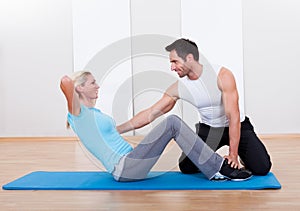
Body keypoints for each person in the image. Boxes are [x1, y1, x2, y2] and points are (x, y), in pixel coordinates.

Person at [60, 71, 252, 182]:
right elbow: (65, 82)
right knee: (173, 123)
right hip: (125, 167)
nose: (97, 86)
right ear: (80, 88)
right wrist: (73, 89)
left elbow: (109, 134)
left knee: (172, 123)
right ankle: (219, 168)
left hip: (130, 161)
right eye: (93, 83)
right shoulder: (78, 114)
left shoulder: (94, 115)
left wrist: (121, 130)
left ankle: (215, 167)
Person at [117, 38, 272, 176]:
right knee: (187, 167)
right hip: (209, 129)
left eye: (174, 62)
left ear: (189, 58)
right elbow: (151, 113)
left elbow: (233, 117)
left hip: (238, 126)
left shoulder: (221, 75)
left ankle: (242, 158)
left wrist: (233, 154)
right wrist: (117, 129)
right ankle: (219, 162)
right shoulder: (179, 87)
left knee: (262, 168)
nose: (172, 67)